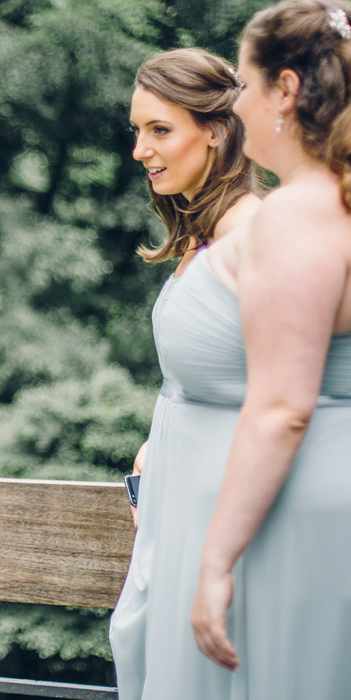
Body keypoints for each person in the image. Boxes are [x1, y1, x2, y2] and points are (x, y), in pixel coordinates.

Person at [120, 0, 351, 700]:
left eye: (243, 85)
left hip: (310, 506)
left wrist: (213, 564)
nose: (235, 106)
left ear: (286, 90)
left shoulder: (297, 214)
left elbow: (282, 407)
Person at [115, 47, 263, 524]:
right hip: (180, 488)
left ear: (216, 131)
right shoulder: (202, 236)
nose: (140, 149)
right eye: (137, 130)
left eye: (160, 130)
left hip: (224, 501)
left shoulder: (255, 237)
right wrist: (160, 444)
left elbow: (284, 395)